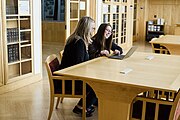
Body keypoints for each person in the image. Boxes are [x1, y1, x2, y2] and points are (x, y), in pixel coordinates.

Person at [60, 16, 97, 117]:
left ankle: (89, 103)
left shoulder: (77, 39)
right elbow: (79, 65)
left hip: (69, 75)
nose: (94, 31)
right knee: (98, 85)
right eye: (92, 28)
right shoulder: (78, 43)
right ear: (86, 28)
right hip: (69, 80)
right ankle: (80, 107)